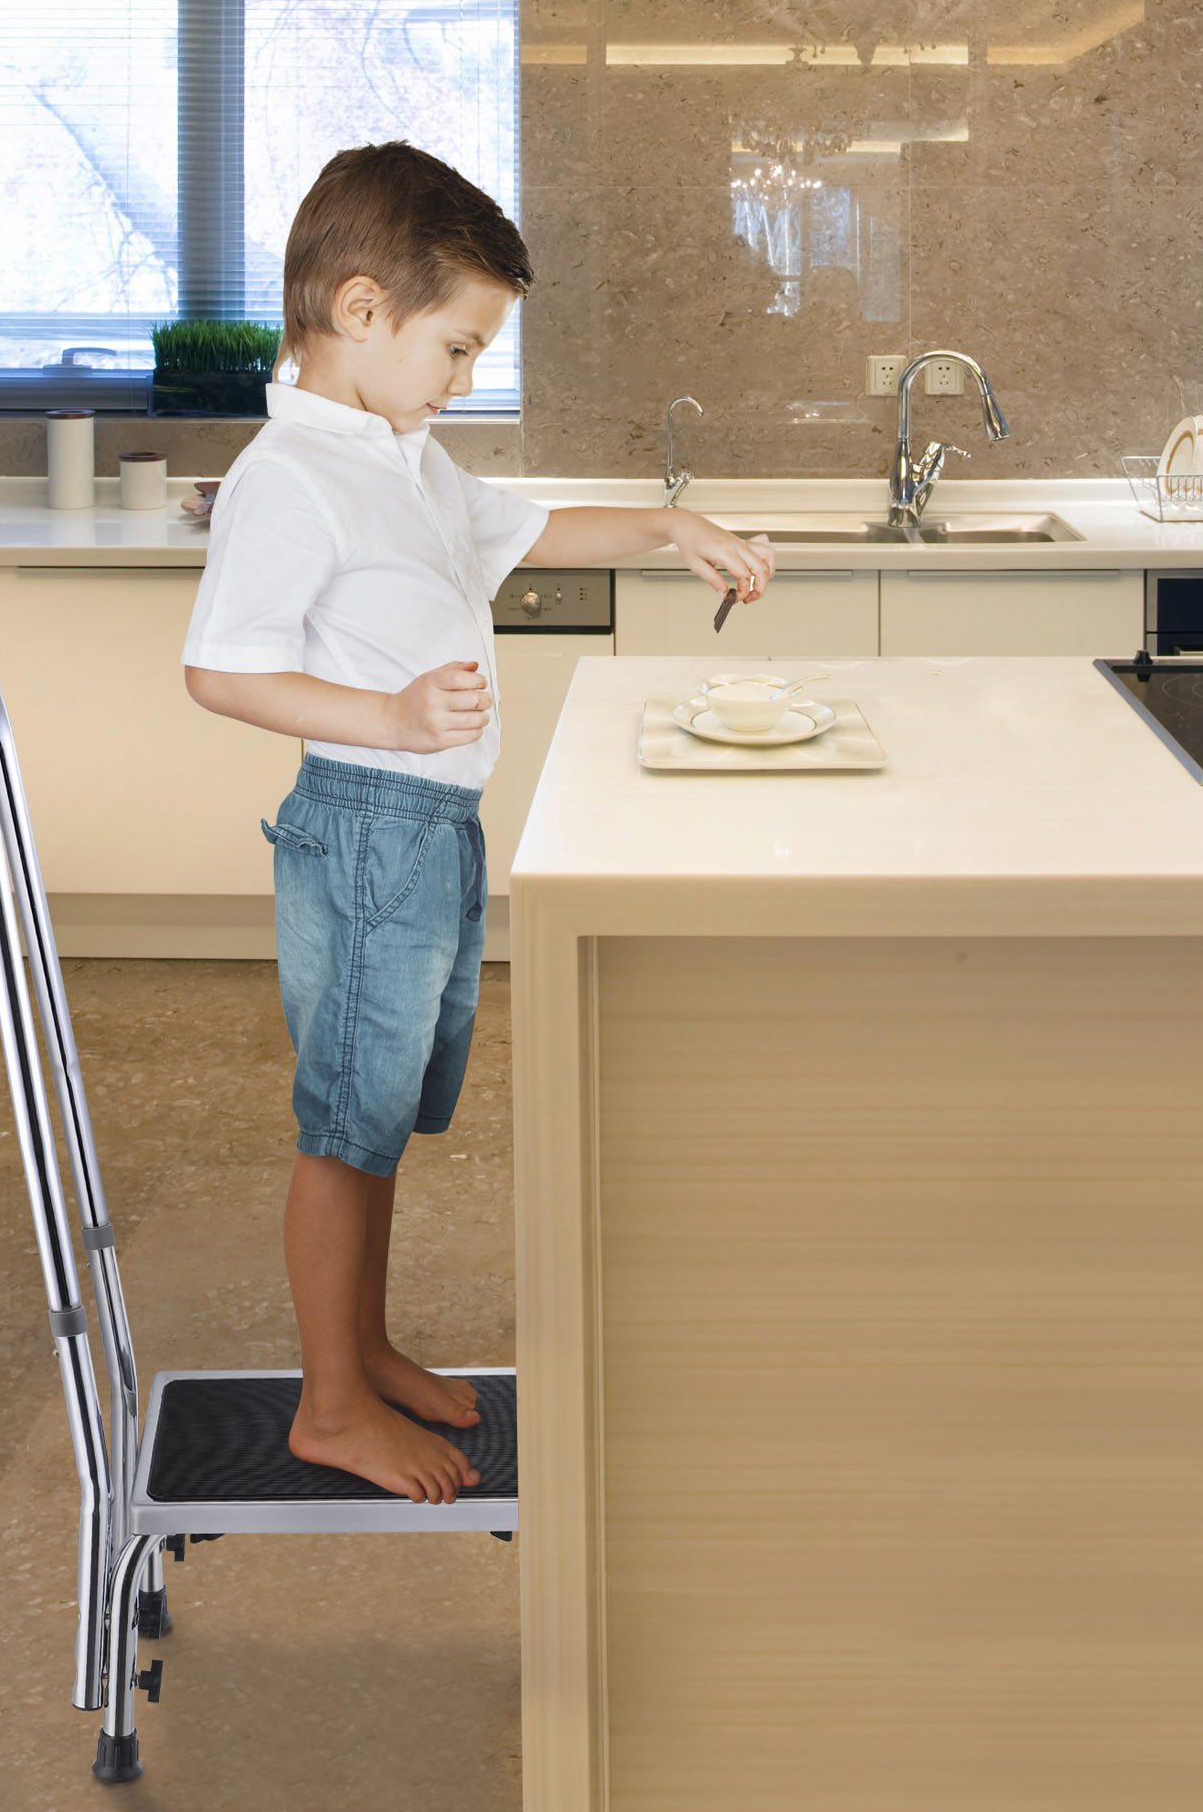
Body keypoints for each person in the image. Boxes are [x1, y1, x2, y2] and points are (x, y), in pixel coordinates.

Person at [183, 143, 774, 1503]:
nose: (462, 380)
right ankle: (331, 1406)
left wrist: (672, 526)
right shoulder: (292, 474)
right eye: (456, 348)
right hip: (368, 827)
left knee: (382, 1114)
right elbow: (220, 669)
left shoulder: (403, 455)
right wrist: (387, 718)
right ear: (360, 308)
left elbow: (532, 530)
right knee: (344, 1126)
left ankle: (363, 1350)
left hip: (431, 828)